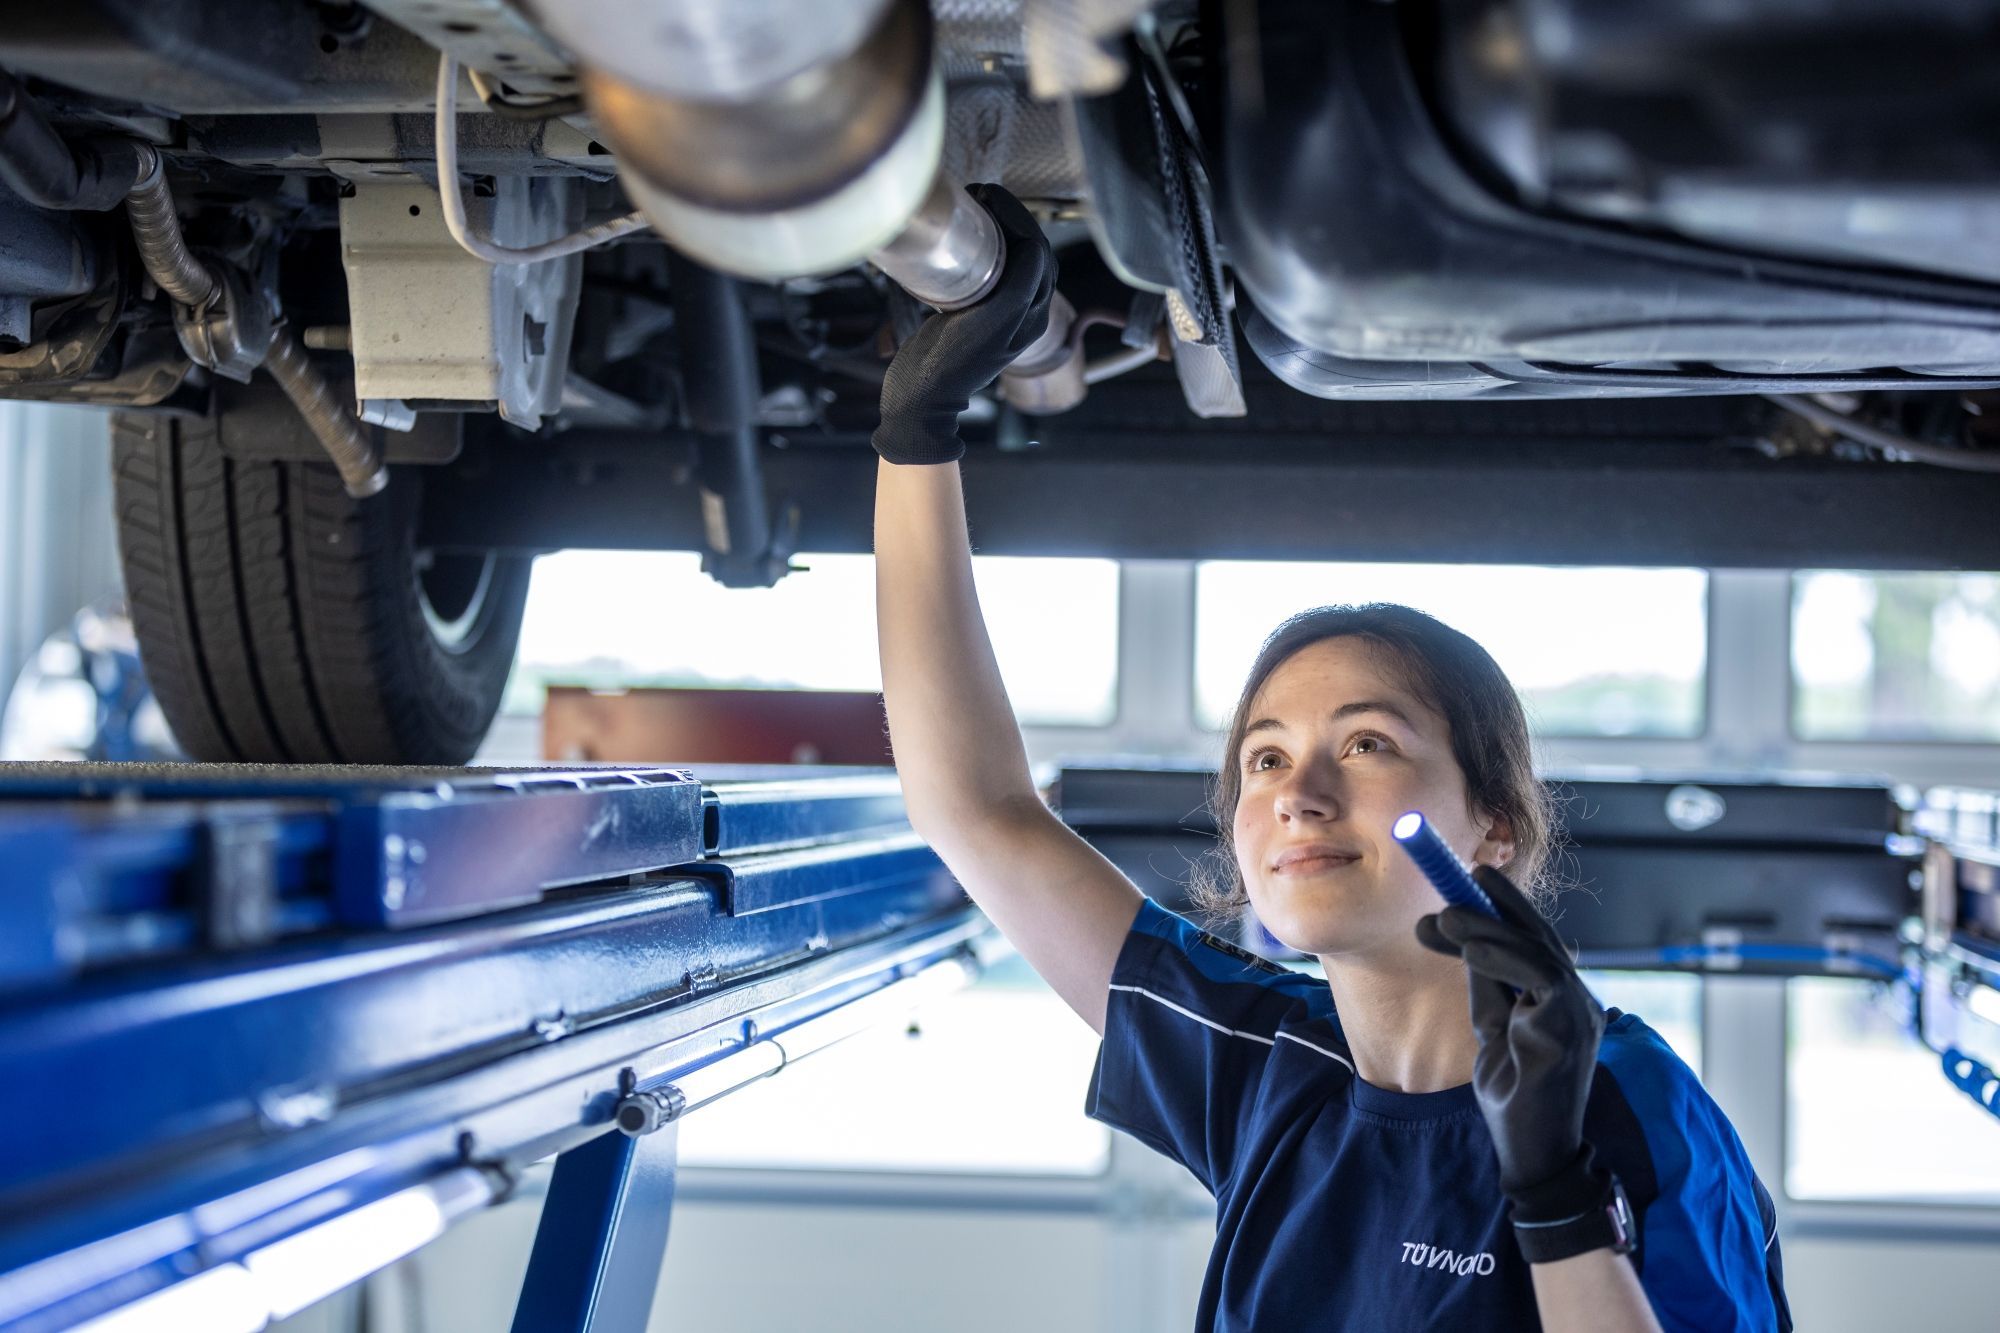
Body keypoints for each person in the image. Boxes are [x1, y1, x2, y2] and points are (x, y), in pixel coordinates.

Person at [872, 185, 1791, 1332]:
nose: (1297, 797)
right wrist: (915, 432)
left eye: (1364, 743)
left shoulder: (1625, 1102)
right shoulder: (1263, 1057)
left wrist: (1552, 1189)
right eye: (1263, 759)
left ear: (1492, 826)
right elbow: (976, 807)